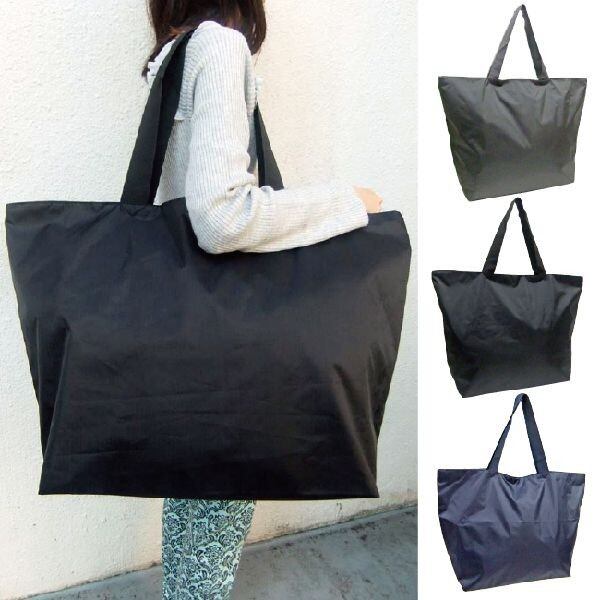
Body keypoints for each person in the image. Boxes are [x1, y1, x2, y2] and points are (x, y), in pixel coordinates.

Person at [145, 1, 383, 597]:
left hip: (185, 336)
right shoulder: (220, 48)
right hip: (229, 354)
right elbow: (220, 218)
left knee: (194, 511)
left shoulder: (174, 53)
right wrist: (347, 202)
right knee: (213, 524)